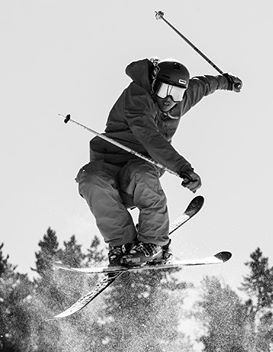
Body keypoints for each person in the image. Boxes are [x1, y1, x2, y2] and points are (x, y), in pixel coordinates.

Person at [76, 58, 242, 267]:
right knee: (90, 178)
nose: (170, 99)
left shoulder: (178, 101)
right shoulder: (137, 97)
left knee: (141, 172)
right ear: (154, 83)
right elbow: (150, 137)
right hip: (110, 170)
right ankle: (122, 244)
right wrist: (183, 168)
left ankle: (154, 245)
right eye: (164, 90)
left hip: (138, 174)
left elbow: (204, 85)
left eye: (178, 93)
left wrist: (226, 82)